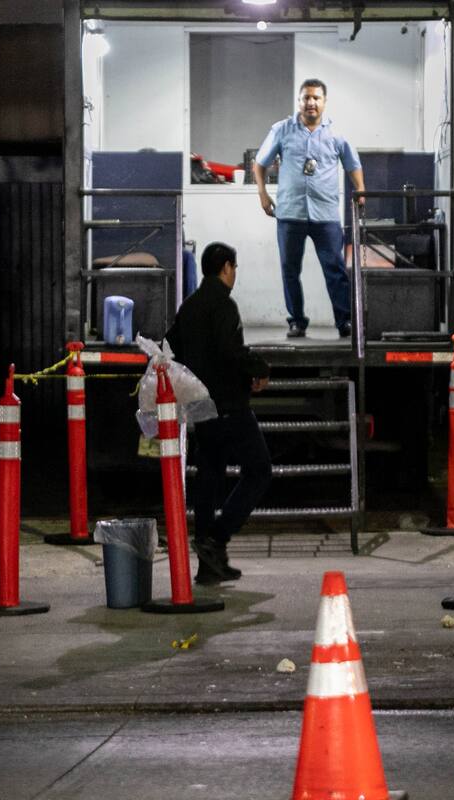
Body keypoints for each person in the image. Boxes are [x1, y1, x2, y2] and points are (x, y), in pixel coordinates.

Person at [165, 242, 273, 584]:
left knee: (210, 476)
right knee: (259, 470)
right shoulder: (224, 306)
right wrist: (259, 367)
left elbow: (171, 348)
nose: (235, 274)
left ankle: (209, 564)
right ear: (226, 267)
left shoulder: (189, 307)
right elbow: (230, 352)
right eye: (235, 268)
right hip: (228, 405)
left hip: (200, 406)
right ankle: (218, 538)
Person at [253, 77, 365, 339]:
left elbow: (353, 164)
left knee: (335, 268)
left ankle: (344, 321)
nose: (311, 102)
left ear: (324, 102)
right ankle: (296, 321)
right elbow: (259, 164)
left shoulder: (336, 135)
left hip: (325, 214)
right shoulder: (282, 130)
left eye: (316, 98)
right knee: (289, 269)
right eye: (306, 97)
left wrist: (360, 191)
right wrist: (263, 194)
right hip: (290, 213)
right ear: (299, 101)